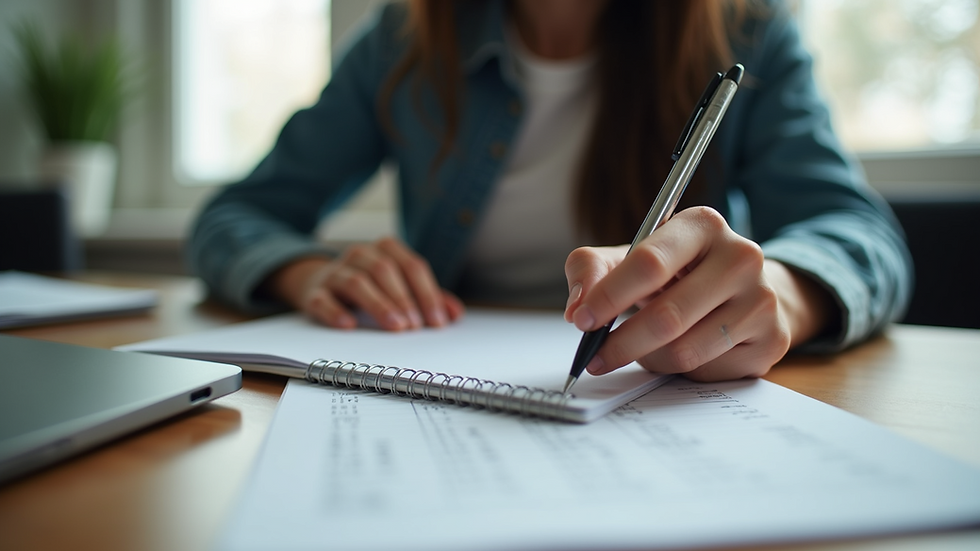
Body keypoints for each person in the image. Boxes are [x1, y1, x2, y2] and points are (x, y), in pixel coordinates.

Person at [188, 0, 912, 383]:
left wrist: (780, 291)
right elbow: (233, 216)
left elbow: (859, 235)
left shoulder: (748, 31)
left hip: (659, 391)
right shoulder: (403, 39)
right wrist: (311, 272)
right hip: (444, 379)